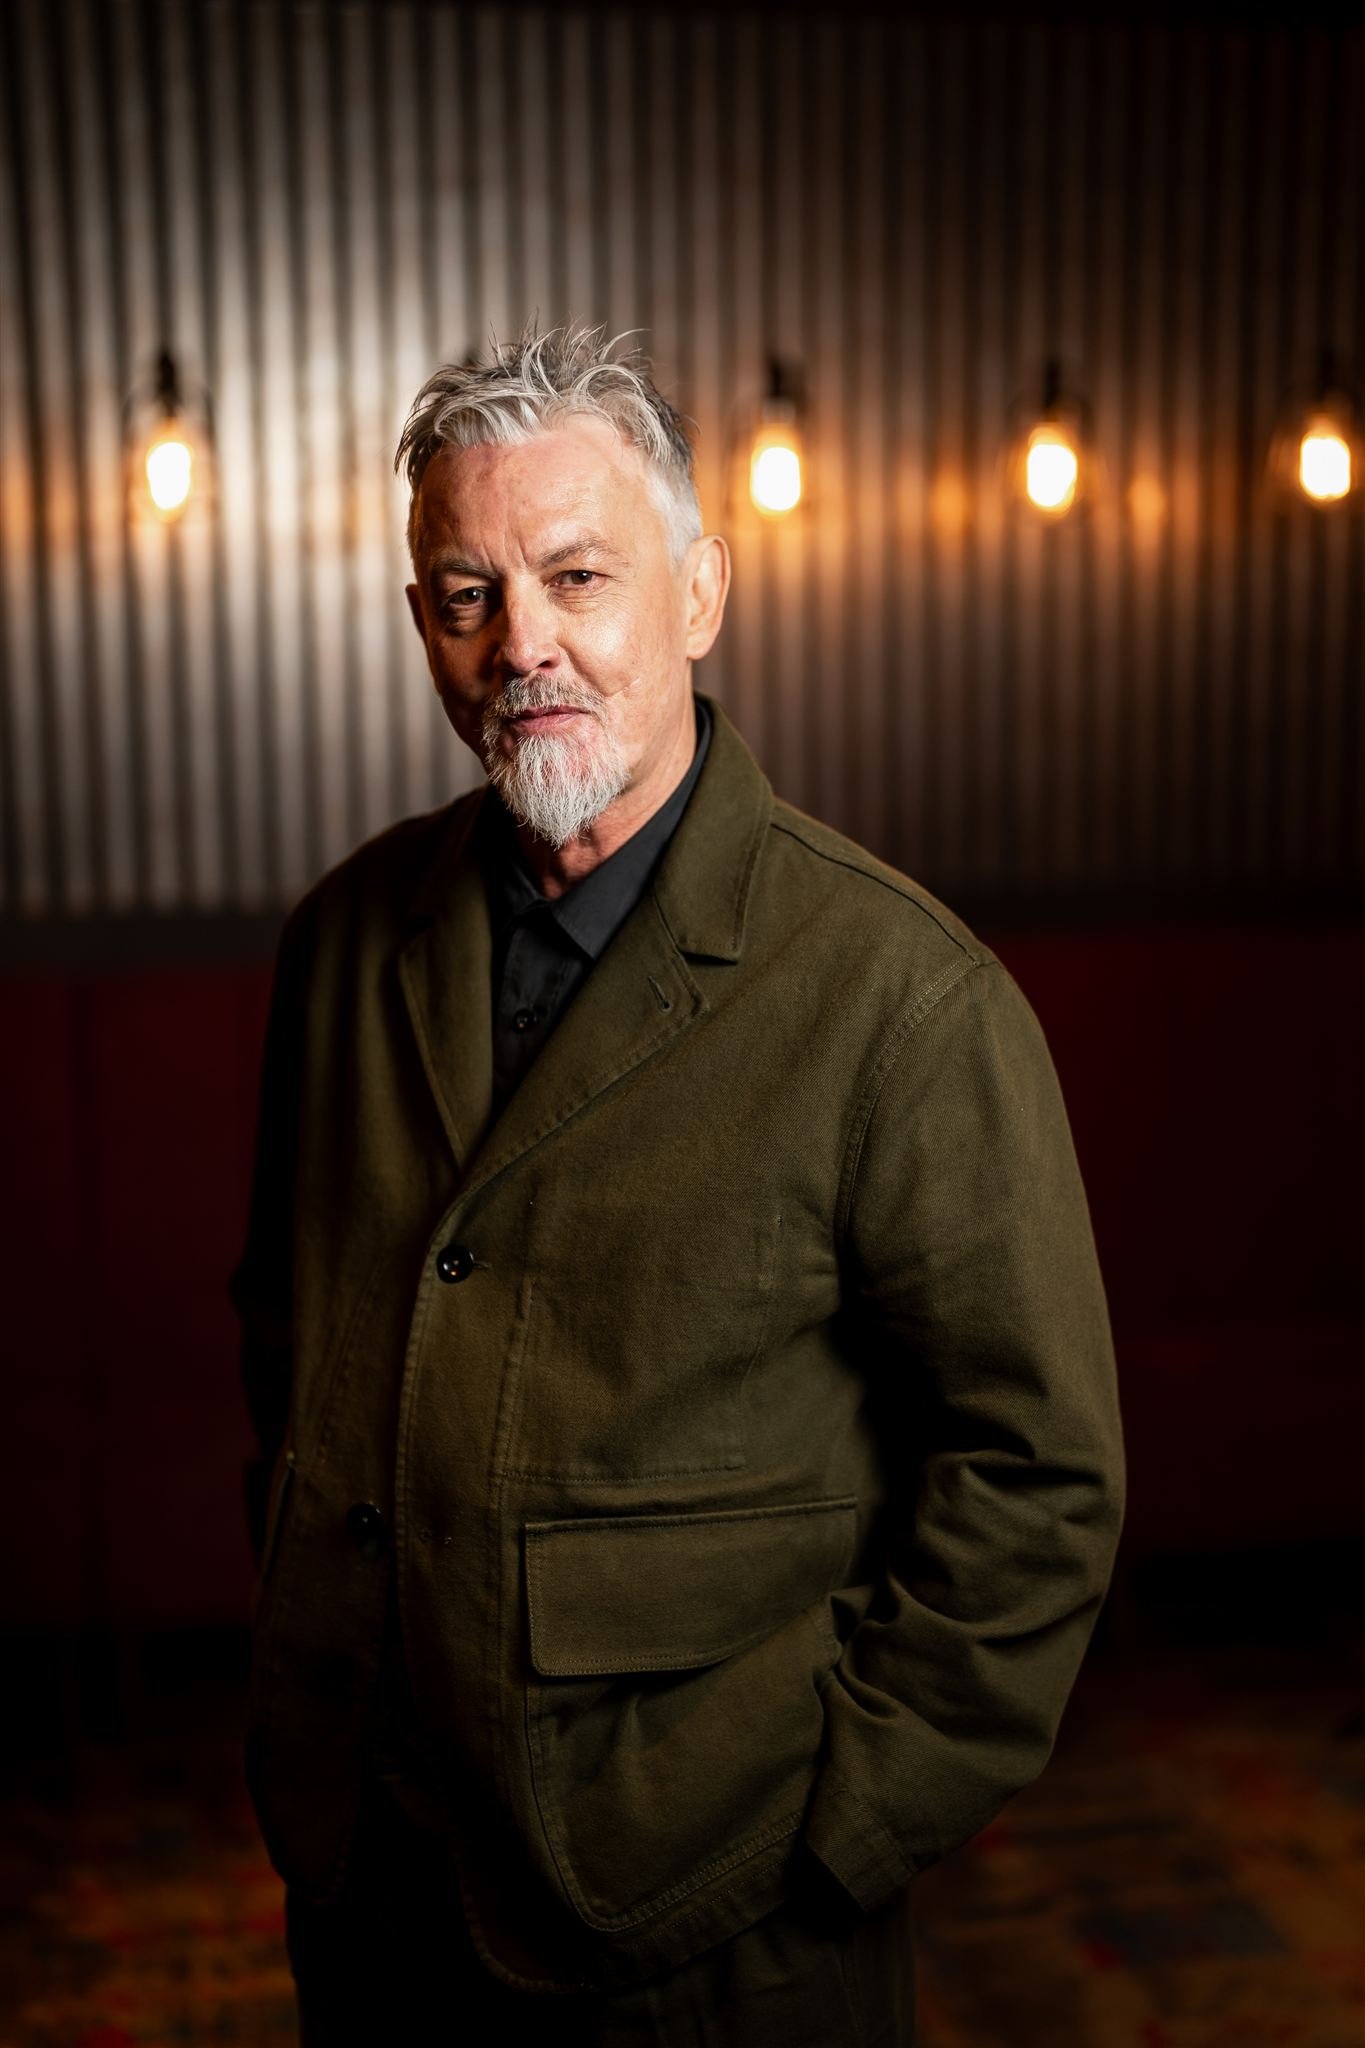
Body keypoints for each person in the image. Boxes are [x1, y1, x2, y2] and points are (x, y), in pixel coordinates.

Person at [232, 323, 1124, 2046]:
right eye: (464, 593)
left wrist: (837, 1834)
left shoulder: (898, 993)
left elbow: (1038, 1479)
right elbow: (285, 1341)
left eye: (579, 575)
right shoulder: (342, 942)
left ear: (698, 592)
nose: (526, 647)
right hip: (375, 1896)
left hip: (717, 1921)